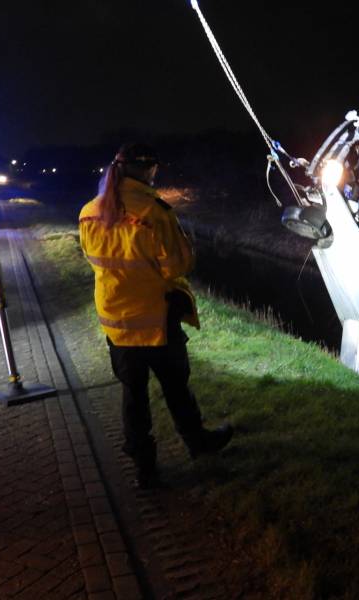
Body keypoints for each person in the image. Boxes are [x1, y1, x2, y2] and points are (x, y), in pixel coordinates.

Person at [79, 142, 232, 489]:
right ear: (147, 170)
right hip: (156, 319)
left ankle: (144, 467)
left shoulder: (89, 212)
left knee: (133, 395)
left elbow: (94, 258)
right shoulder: (154, 212)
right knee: (176, 387)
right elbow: (177, 265)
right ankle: (198, 443)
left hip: (116, 320)